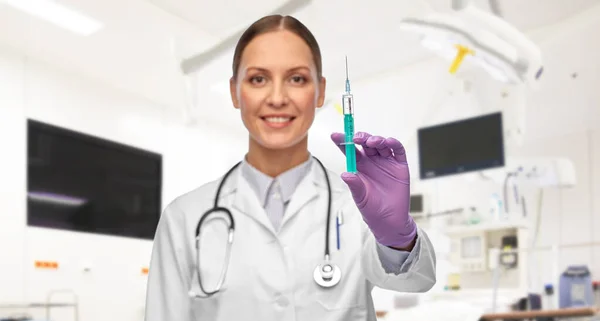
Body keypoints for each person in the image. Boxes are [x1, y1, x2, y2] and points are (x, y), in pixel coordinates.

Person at [144, 14, 436, 321]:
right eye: (258, 79)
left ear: (320, 92)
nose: (278, 98)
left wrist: (399, 236)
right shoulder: (184, 218)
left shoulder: (356, 206)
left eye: (297, 79)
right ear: (234, 91)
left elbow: (417, 279)